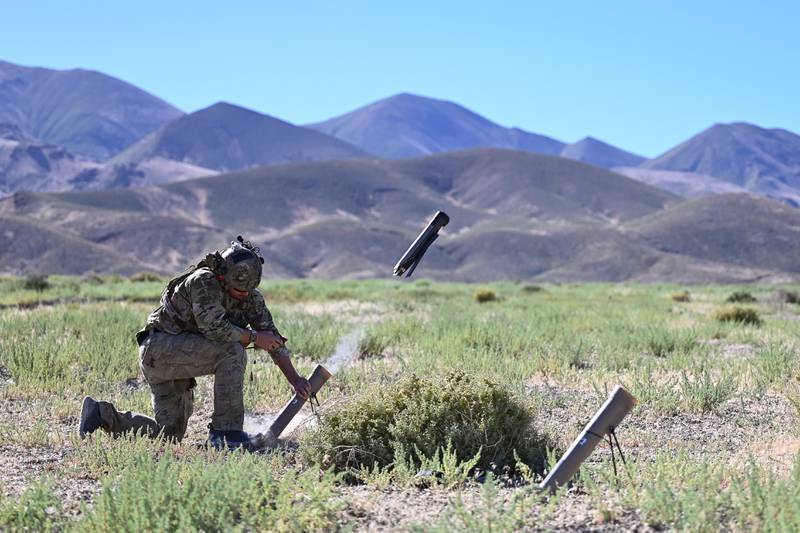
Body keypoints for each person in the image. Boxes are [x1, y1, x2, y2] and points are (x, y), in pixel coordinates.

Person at [78, 236, 311, 450]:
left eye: (248, 290)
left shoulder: (250, 297)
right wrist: (253, 338)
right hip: (159, 351)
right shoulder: (204, 282)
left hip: (180, 361)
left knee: (168, 435)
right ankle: (226, 433)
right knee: (232, 351)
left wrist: (295, 379)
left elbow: (271, 336)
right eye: (238, 289)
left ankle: (101, 414)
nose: (243, 295)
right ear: (223, 276)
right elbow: (215, 327)